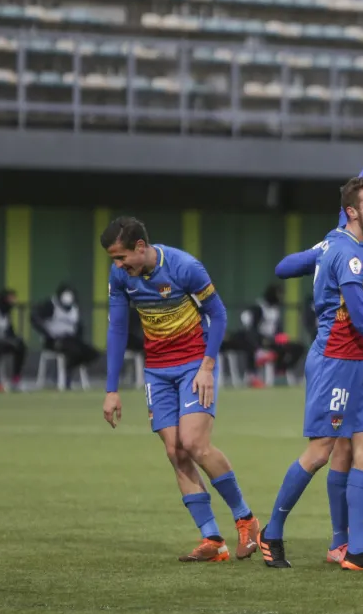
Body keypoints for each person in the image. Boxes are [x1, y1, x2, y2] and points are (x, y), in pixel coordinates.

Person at [258, 176, 363, 571]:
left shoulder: (346, 242)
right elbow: (361, 317)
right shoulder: (349, 253)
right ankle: (272, 531)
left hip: (362, 364)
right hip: (336, 362)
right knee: (320, 453)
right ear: (353, 213)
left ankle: (356, 547)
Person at [100, 217, 259, 562]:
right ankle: (212, 541)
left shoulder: (185, 267)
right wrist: (111, 389)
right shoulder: (120, 278)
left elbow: (218, 315)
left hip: (193, 366)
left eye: (120, 257)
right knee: (175, 451)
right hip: (157, 373)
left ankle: (246, 519)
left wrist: (207, 366)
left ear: (140, 248)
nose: (117, 265)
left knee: (195, 444)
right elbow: (116, 330)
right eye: (114, 260)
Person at [31, 283, 99, 388]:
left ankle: (65, 370)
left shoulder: (74, 309)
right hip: (54, 340)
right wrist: (47, 335)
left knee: (93, 353)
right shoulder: (51, 305)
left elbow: (79, 327)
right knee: (74, 351)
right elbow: (34, 318)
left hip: (71, 339)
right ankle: (65, 379)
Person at [236, 283, 305, 387]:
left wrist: (281, 335)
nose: (280, 297)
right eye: (278, 294)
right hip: (261, 340)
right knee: (250, 344)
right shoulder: (259, 307)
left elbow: (278, 328)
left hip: (273, 341)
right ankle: (253, 374)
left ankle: (280, 369)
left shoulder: (276, 309)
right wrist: (261, 343)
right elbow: (252, 329)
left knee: (299, 347)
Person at [0, 288, 25, 391]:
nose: (13, 302)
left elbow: (10, 332)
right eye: (10, 299)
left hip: (1, 343)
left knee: (21, 346)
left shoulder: (6, 313)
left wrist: (15, 340)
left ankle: (16, 379)